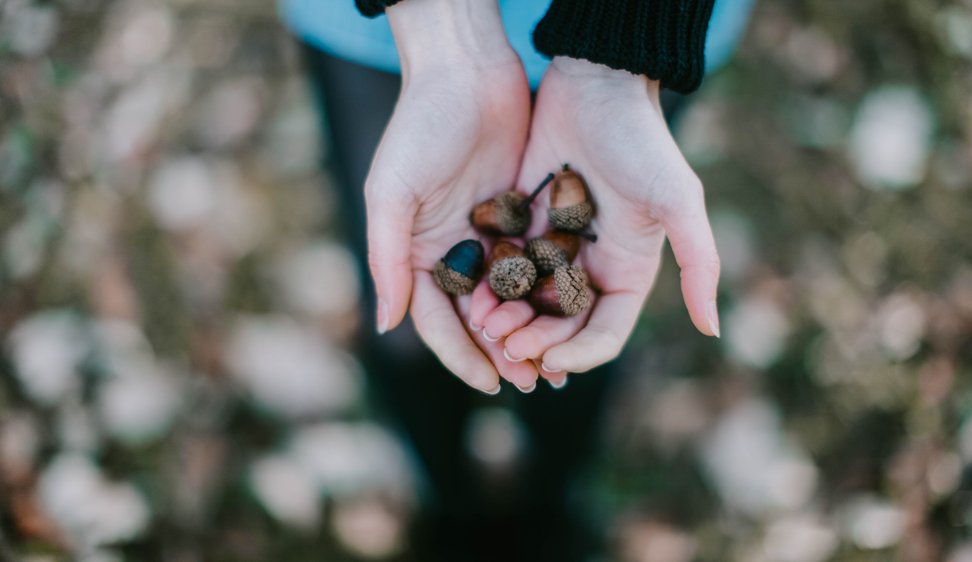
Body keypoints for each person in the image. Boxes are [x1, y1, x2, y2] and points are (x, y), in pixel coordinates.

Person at [282, 0, 754, 559]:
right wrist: (444, 33)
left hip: (640, 29)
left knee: (571, 350)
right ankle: (450, 502)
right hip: (388, 24)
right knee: (407, 323)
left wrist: (619, 62)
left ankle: (551, 504)